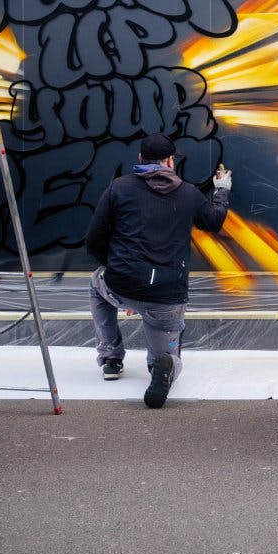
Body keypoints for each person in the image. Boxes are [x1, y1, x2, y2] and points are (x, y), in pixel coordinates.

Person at [86, 133, 231, 408]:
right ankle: (162, 366)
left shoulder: (119, 188)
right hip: (166, 296)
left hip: (121, 284)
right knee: (166, 358)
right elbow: (213, 222)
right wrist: (222, 191)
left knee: (96, 285)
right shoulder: (188, 193)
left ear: (140, 158)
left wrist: (116, 270)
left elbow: (93, 239)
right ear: (170, 161)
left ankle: (111, 359)